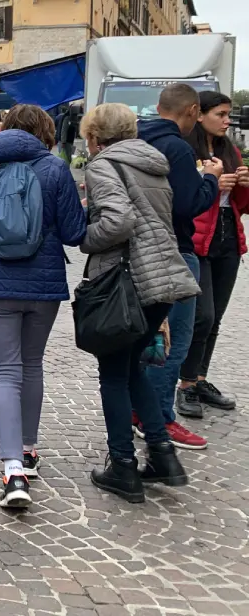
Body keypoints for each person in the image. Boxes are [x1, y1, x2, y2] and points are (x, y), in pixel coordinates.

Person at [0, 105, 88, 509]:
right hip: (44, 284)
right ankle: (30, 451)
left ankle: (12, 469)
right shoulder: (54, 169)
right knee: (31, 365)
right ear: (45, 132)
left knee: (3, 372)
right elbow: (73, 233)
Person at [78, 103, 196, 502]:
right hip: (163, 280)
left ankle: (123, 467)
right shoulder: (151, 162)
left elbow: (118, 223)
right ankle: (163, 455)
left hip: (128, 284)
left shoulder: (103, 165)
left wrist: (85, 236)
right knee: (132, 371)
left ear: (94, 135)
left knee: (113, 375)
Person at [136, 83, 220, 451]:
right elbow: (189, 204)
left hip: (140, 251)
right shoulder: (177, 148)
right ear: (191, 111)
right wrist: (212, 179)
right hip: (175, 251)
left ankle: (142, 412)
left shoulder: (136, 141)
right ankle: (160, 420)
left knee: (151, 335)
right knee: (175, 340)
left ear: (158, 107)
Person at [180, 91, 247, 417]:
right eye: (220, 114)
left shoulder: (229, 150)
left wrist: (243, 184)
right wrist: (210, 181)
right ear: (200, 114)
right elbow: (180, 197)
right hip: (197, 241)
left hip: (227, 240)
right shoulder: (185, 149)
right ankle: (186, 384)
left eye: (228, 115)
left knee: (215, 316)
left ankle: (201, 379)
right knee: (201, 315)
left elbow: (243, 206)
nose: (226, 120)